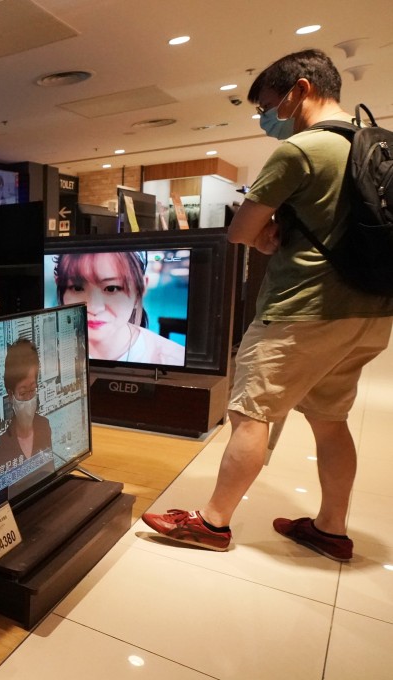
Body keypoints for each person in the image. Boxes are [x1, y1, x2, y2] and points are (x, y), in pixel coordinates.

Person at [142, 49, 393, 560]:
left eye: (268, 106)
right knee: (330, 421)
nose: (266, 118)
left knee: (251, 414)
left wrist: (261, 237)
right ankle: (330, 528)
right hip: (371, 310)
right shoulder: (374, 145)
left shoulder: (302, 150)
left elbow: (241, 230)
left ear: (301, 90)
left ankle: (213, 522)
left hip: (303, 311)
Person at [54, 251, 185, 366]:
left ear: (140, 291)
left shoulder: (174, 360)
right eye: (77, 288)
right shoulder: (47, 354)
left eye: (111, 288)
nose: (93, 308)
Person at [0, 339, 54, 514]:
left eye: (33, 390)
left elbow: (51, 480)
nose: (29, 399)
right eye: (22, 393)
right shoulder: (2, 450)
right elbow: (0, 509)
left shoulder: (44, 426)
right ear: (10, 395)